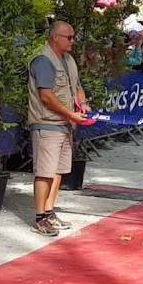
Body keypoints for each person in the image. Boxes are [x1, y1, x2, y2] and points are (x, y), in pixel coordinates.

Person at [27, 21, 90, 238]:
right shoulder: (44, 61)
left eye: (73, 37)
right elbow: (46, 96)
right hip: (48, 124)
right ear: (55, 37)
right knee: (44, 172)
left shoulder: (69, 60)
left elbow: (77, 86)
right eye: (69, 37)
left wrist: (83, 104)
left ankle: (49, 211)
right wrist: (71, 115)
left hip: (64, 125)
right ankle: (39, 217)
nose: (73, 41)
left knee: (58, 170)